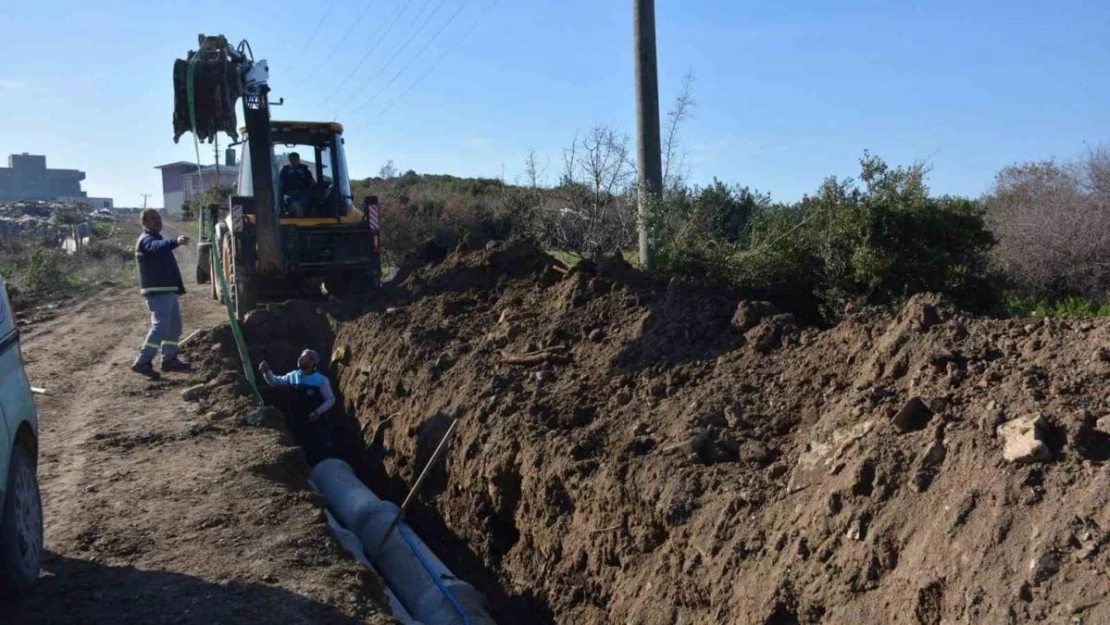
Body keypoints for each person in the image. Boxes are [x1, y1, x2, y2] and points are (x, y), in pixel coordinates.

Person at [131, 208, 191, 378]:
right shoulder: (147, 240)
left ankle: (169, 359)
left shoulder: (156, 238)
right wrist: (176, 241)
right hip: (157, 293)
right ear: (144, 223)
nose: (157, 221)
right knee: (160, 327)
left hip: (166, 291)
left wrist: (177, 288)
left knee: (174, 327)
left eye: (158, 218)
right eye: (152, 219)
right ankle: (142, 361)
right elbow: (157, 247)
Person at [258, 349, 335, 464]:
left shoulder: (321, 380)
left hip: (317, 423)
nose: (299, 359)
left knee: (319, 451)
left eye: (303, 357)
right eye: (300, 356)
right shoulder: (293, 375)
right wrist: (267, 372)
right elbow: (275, 382)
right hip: (297, 422)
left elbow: (330, 399)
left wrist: (318, 412)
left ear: (312, 362)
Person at [279, 152, 315, 216]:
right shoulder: (285, 170)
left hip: (303, 191)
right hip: (289, 192)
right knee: (287, 199)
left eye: (296, 159)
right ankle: (294, 207)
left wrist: (312, 184)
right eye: (292, 160)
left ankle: (300, 210)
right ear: (289, 160)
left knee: (306, 199)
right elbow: (280, 182)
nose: (295, 161)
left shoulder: (304, 169)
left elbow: (311, 180)